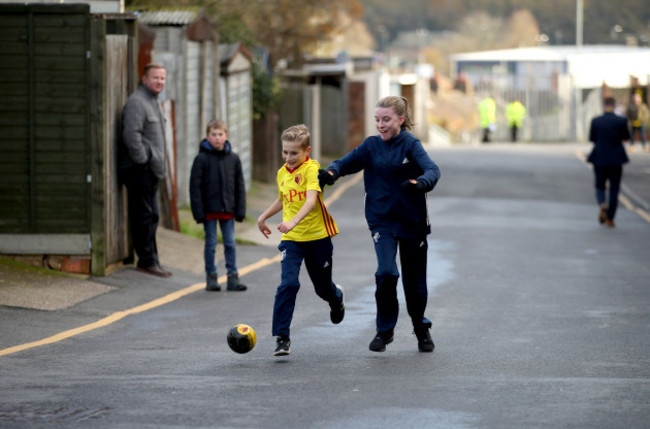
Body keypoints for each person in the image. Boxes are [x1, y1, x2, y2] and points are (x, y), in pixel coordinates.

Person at [319, 96, 441, 353]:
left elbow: (432, 170)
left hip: (413, 222)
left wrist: (420, 183)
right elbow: (344, 163)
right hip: (382, 221)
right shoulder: (371, 146)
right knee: (386, 273)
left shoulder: (410, 144)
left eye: (386, 119)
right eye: (377, 120)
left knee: (415, 284)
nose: (381, 125)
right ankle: (384, 331)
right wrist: (331, 173)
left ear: (401, 119)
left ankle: (421, 327)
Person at [257, 124, 345, 357]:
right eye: (285, 152)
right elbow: (282, 199)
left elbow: (311, 201)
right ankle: (282, 337)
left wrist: (293, 221)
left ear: (307, 151)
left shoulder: (311, 169)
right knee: (289, 283)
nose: (288, 157)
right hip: (292, 240)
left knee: (322, 288)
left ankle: (336, 298)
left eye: (294, 153)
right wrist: (263, 216)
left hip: (318, 238)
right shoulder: (282, 173)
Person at [119, 63, 172, 278]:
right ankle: (146, 261)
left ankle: (152, 260)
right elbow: (131, 135)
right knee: (145, 217)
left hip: (152, 171)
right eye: (155, 77)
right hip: (140, 171)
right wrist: (144, 161)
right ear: (144, 78)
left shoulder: (152, 102)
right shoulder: (137, 103)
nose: (159, 81)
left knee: (152, 217)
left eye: (162, 78)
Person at [189, 119, 247, 292]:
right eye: (213, 135)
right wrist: (198, 212)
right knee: (211, 244)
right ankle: (211, 277)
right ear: (207, 137)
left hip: (228, 211)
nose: (217, 138)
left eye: (220, 134)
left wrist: (240, 210)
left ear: (226, 136)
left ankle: (232, 277)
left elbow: (240, 186)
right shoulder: (201, 159)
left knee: (230, 243)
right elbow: (195, 188)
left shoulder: (234, 159)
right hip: (209, 211)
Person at [587, 96, 631, 228]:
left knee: (600, 186)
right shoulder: (621, 121)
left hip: (599, 158)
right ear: (614, 105)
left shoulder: (596, 121)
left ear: (603, 106)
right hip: (616, 159)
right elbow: (626, 137)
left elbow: (592, 138)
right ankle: (610, 219)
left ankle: (602, 204)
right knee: (614, 189)